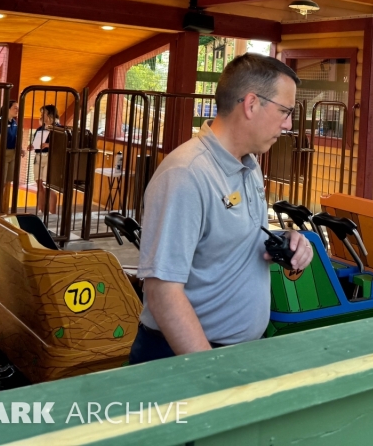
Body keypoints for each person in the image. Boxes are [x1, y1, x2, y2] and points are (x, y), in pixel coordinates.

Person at [131, 53, 314, 363]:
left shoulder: (249, 164)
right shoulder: (186, 174)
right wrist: (208, 373)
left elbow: (232, 239)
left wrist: (287, 241)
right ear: (252, 104)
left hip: (233, 352)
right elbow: (162, 291)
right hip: (184, 358)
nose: (288, 124)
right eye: (284, 111)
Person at [0, 101, 23, 203]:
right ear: (7, 109)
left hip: (12, 153)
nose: (17, 110)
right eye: (15, 108)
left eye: (18, 108)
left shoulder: (14, 122)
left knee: (5, 182)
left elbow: (15, 138)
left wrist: (20, 149)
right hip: (2, 153)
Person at [33, 104, 59, 213]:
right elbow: (36, 142)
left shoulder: (58, 128)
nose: (41, 115)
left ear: (50, 114)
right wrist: (32, 145)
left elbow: (61, 145)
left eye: (43, 113)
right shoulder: (40, 128)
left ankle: (52, 213)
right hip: (38, 157)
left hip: (50, 158)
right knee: (39, 185)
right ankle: (41, 211)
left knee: (50, 186)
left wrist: (48, 145)